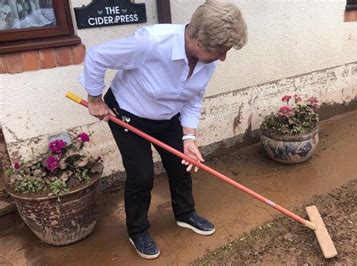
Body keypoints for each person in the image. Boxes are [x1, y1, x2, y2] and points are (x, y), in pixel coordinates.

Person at [80, 0, 247, 260]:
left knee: (182, 163)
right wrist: (94, 98)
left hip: (168, 116)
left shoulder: (207, 61)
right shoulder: (151, 43)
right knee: (142, 176)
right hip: (128, 114)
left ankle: (185, 214)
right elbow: (97, 56)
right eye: (221, 50)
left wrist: (189, 137)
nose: (223, 58)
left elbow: (193, 97)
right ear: (200, 42)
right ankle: (137, 231)